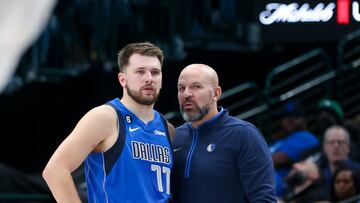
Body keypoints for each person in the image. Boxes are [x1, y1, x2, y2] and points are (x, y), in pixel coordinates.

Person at [42, 42, 175, 203]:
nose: (148, 78)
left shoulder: (167, 128)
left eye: (155, 72)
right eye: (140, 72)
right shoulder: (105, 117)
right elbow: (55, 170)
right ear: (122, 79)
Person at [171, 64, 277, 202]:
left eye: (196, 87)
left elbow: (264, 198)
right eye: (181, 88)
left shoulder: (244, 134)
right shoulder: (174, 137)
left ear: (216, 93)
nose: (186, 94)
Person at [269, 101, 319, 196]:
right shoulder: (279, 141)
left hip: (277, 190)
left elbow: (278, 159)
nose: (289, 121)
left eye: (294, 117)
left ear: (304, 119)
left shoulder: (306, 137)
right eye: (286, 117)